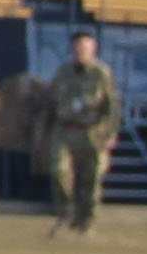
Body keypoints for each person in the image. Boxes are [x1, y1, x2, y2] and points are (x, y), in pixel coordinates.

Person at [49, 31, 121, 236]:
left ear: (93, 49)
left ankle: (86, 222)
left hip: (92, 132)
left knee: (92, 178)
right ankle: (66, 213)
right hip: (65, 130)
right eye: (78, 48)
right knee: (58, 170)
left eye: (86, 48)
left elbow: (112, 106)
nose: (81, 52)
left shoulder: (102, 73)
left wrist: (110, 132)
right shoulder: (63, 73)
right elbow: (52, 101)